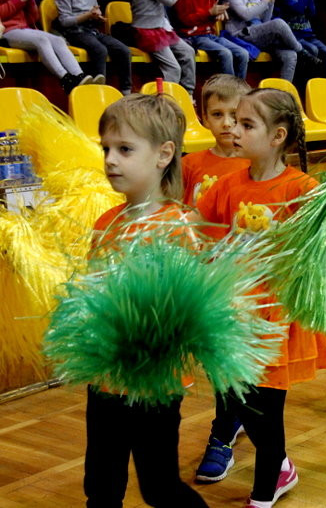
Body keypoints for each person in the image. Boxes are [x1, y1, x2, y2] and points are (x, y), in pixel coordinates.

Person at [194, 88, 326, 507]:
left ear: (278, 135)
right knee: (243, 402)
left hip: (276, 318)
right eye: (230, 121)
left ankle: (264, 492)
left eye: (246, 124)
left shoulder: (303, 189)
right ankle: (280, 465)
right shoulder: (226, 186)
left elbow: (322, 252)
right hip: (233, 315)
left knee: (267, 408)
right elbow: (199, 233)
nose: (232, 128)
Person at [87, 93, 208, 507]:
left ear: (163, 154)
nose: (110, 160)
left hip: (157, 383)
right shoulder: (105, 223)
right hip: (105, 380)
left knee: (159, 487)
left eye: (124, 149)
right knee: (101, 487)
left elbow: (187, 311)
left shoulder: (180, 225)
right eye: (106, 148)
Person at [0, 0, 98, 92]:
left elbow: (34, 16)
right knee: (42, 40)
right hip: (7, 30)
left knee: (58, 40)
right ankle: (66, 80)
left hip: (26, 29)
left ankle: (79, 77)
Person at [225, 0, 311, 82]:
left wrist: (270, 2)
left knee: (290, 55)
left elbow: (265, 21)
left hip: (258, 35)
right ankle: (301, 51)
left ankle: (283, 94)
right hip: (241, 35)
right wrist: (265, 1)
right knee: (278, 23)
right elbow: (245, 15)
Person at [182, 74, 251, 208]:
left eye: (234, 114)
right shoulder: (188, 164)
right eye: (217, 114)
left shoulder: (257, 165)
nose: (226, 123)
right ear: (206, 118)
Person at [56, 0, 132, 94]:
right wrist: (88, 15)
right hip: (74, 32)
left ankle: (126, 91)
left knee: (124, 50)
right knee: (100, 50)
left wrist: (98, 17)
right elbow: (64, 21)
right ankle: (99, 91)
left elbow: (93, 12)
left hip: (92, 31)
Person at [174, 0, 250, 79]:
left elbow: (209, 18)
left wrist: (217, 14)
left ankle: (240, 90)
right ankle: (230, 91)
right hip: (194, 36)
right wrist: (209, 13)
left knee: (243, 53)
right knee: (226, 54)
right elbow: (185, 20)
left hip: (210, 35)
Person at [130, 0, 196, 95]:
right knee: (173, 68)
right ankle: (165, 101)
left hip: (160, 28)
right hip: (147, 30)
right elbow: (169, 0)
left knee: (188, 51)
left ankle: (188, 95)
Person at [275, 0, 326, 79]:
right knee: (313, 50)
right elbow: (298, 9)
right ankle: (307, 84)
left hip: (308, 35)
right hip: (294, 36)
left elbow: (312, 13)